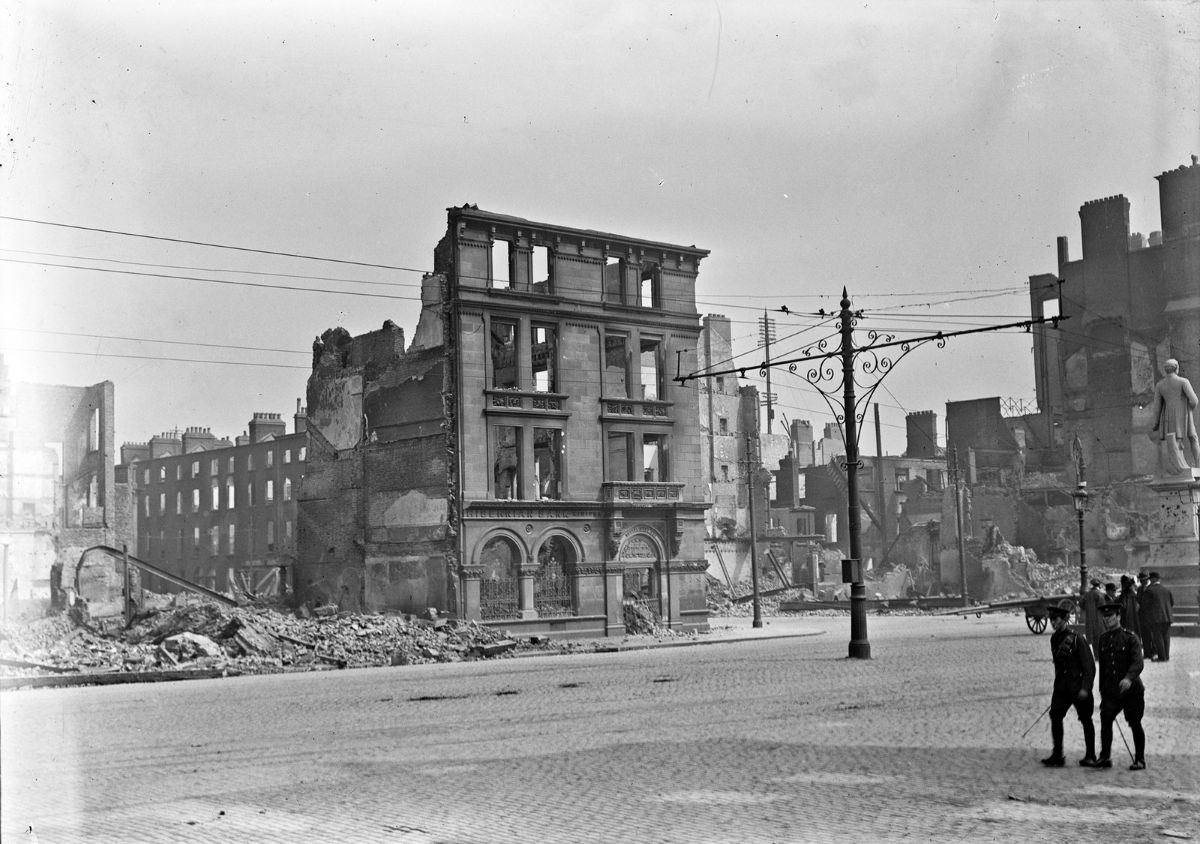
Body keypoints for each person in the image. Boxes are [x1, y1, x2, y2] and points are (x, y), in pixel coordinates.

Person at [1040, 600, 1096, 768]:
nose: (1053, 622)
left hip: (1078, 687)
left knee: (1086, 720)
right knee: (1055, 716)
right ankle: (1058, 754)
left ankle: (1090, 755)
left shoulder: (1078, 639)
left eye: (1056, 619)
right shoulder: (1054, 639)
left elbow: (1090, 667)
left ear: (1065, 620)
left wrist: (1086, 688)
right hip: (1062, 688)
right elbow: (1058, 666)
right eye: (1051, 619)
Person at [1095, 599, 1146, 770]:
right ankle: (1105, 757)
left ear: (1118, 616)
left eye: (1110, 616)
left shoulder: (1130, 638)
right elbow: (1103, 668)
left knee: (1134, 723)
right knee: (1106, 718)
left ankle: (1140, 759)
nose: (1107, 619)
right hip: (1112, 692)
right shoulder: (1103, 639)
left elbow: (1138, 663)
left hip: (1132, 691)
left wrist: (1129, 678)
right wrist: (1102, 691)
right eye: (1105, 616)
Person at [1150, 358, 1200, 474]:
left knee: (1175, 441)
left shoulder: (1160, 385)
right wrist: (1188, 409)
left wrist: (1156, 423)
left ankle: (1178, 468)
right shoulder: (1183, 381)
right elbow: (1194, 400)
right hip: (1185, 414)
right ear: (1176, 368)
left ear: (1165, 370)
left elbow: (1157, 406)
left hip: (1168, 416)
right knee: (1193, 437)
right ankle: (1197, 466)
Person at [1141, 572, 1175, 662]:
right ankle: (1166, 656)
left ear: (1152, 579)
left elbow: (1144, 606)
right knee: (1166, 637)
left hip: (1156, 618)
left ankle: (1162, 657)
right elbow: (1172, 603)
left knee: (1158, 637)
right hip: (1167, 617)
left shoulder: (1149, 590)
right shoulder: (1166, 590)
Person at [1081, 579, 1104, 658]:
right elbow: (1103, 607)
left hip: (1089, 620)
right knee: (1100, 637)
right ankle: (1100, 656)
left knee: (1093, 638)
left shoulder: (1087, 594)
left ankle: (1096, 655)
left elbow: (1082, 604)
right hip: (1098, 619)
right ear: (1098, 586)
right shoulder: (1099, 594)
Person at [1136, 570, 1156, 661]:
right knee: (1144, 635)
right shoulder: (1139, 589)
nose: (1142, 582)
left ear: (1148, 579)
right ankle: (1147, 653)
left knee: (1152, 635)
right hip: (1142, 616)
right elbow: (1138, 600)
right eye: (1141, 580)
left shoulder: (1152, 588)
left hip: (1151, 616)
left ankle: (1154, 652)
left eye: (1144, 580)